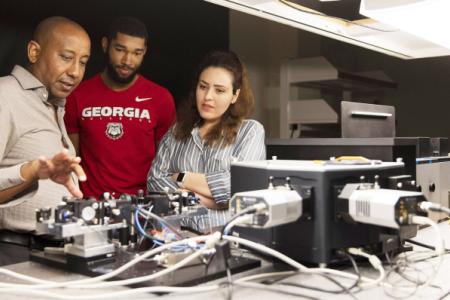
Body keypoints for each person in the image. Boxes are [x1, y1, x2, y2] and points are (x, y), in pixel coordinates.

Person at [0, 16, 90, 265]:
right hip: (13, 255)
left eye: (83, 62)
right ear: (34, 52)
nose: (75, 72)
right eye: (66, 57)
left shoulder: (55, 106)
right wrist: (31, 172)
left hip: (51, 254)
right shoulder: (5, 96)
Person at [64, 17, 176, 199]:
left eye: (137, 53)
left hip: (142, 208)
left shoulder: (161, 99)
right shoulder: (77, 95)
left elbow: (167, 164)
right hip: (91, 207)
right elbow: (72, 159)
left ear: (145, 52)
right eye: (120, 49)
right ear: (105, 44)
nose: (128, 61)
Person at [147, 50, 266, 210]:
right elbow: (154, 183)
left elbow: (243, 187)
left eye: (219, 90)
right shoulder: (176, 132)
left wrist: (181, 177)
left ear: (234, 96)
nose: (208, 96)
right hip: (179, 233)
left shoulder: (250, 132)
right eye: (203, 87)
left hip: (225, 233)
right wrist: (210, 202)